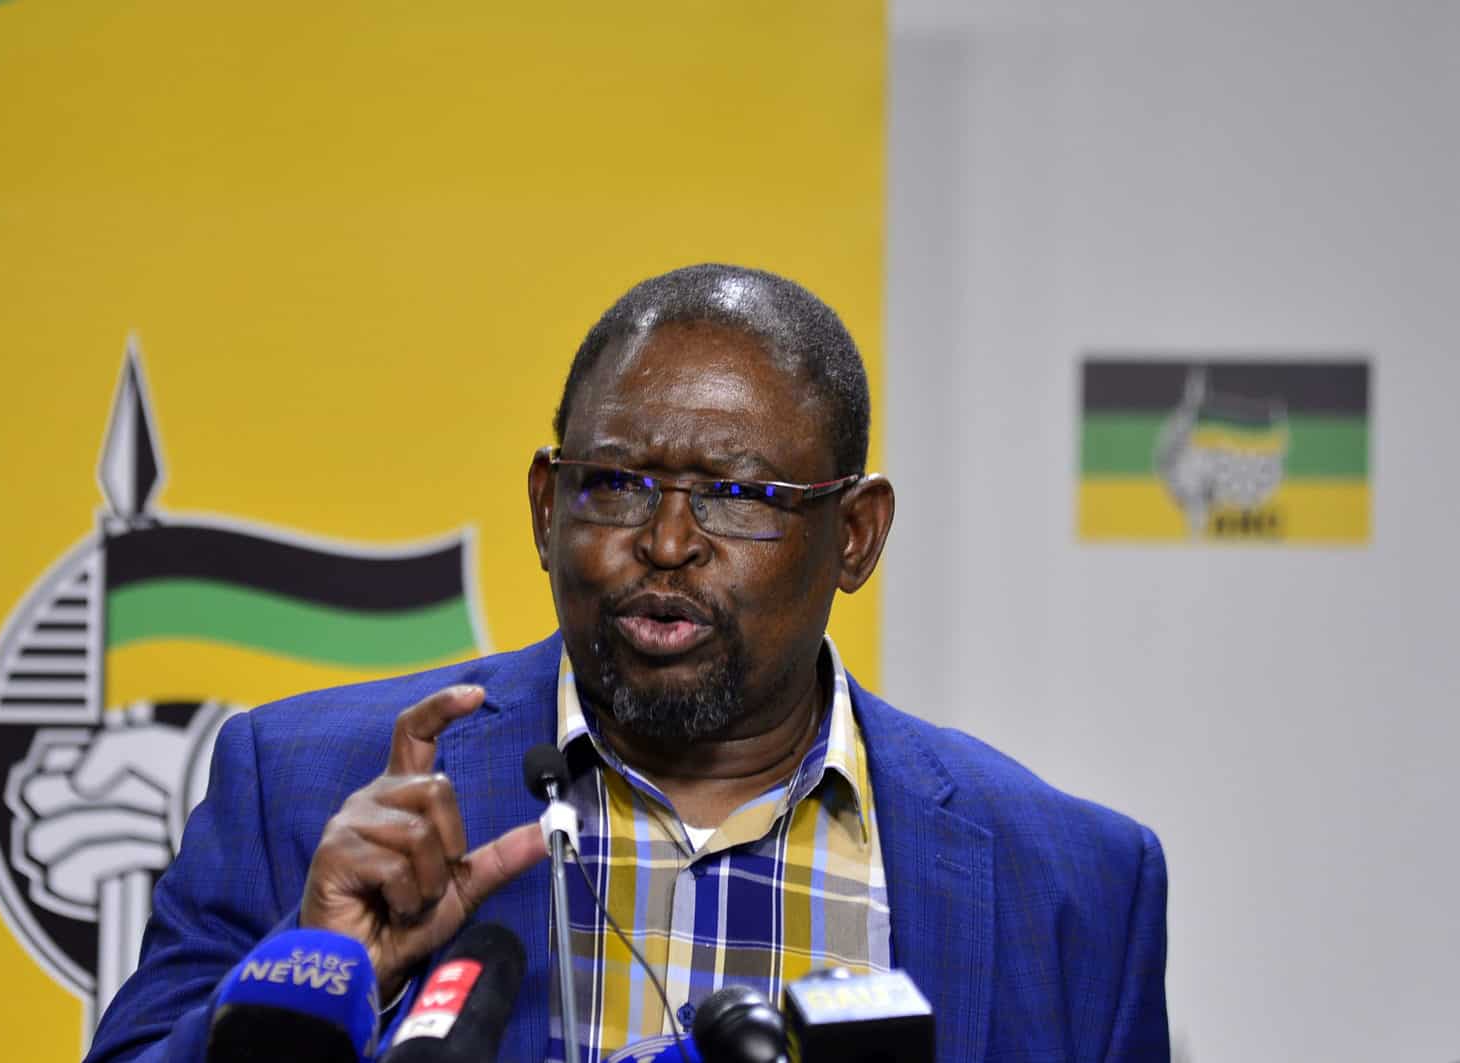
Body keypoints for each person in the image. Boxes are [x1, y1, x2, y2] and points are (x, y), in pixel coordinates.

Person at [84, 264, 1168, 1063]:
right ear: (546, 508)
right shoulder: (304, 789)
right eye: (616, 484)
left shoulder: (1071, 884)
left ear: (856, 535)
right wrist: (320, 966)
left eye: (738, 495)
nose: (666, 542)